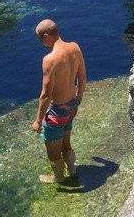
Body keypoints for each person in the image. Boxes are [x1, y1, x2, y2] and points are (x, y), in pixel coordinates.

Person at [32, 19, 87, 184]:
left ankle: (59, 177)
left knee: (53, 153)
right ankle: (72, 169)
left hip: (57, 113)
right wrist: (78, 99)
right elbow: (82, 77)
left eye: (41, 40)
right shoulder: (75, 48)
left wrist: (38, 121)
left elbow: (46, 95)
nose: (42, 44)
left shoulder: (50, 60)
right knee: (66, 145)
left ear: (46, 36)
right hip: (71, 106)